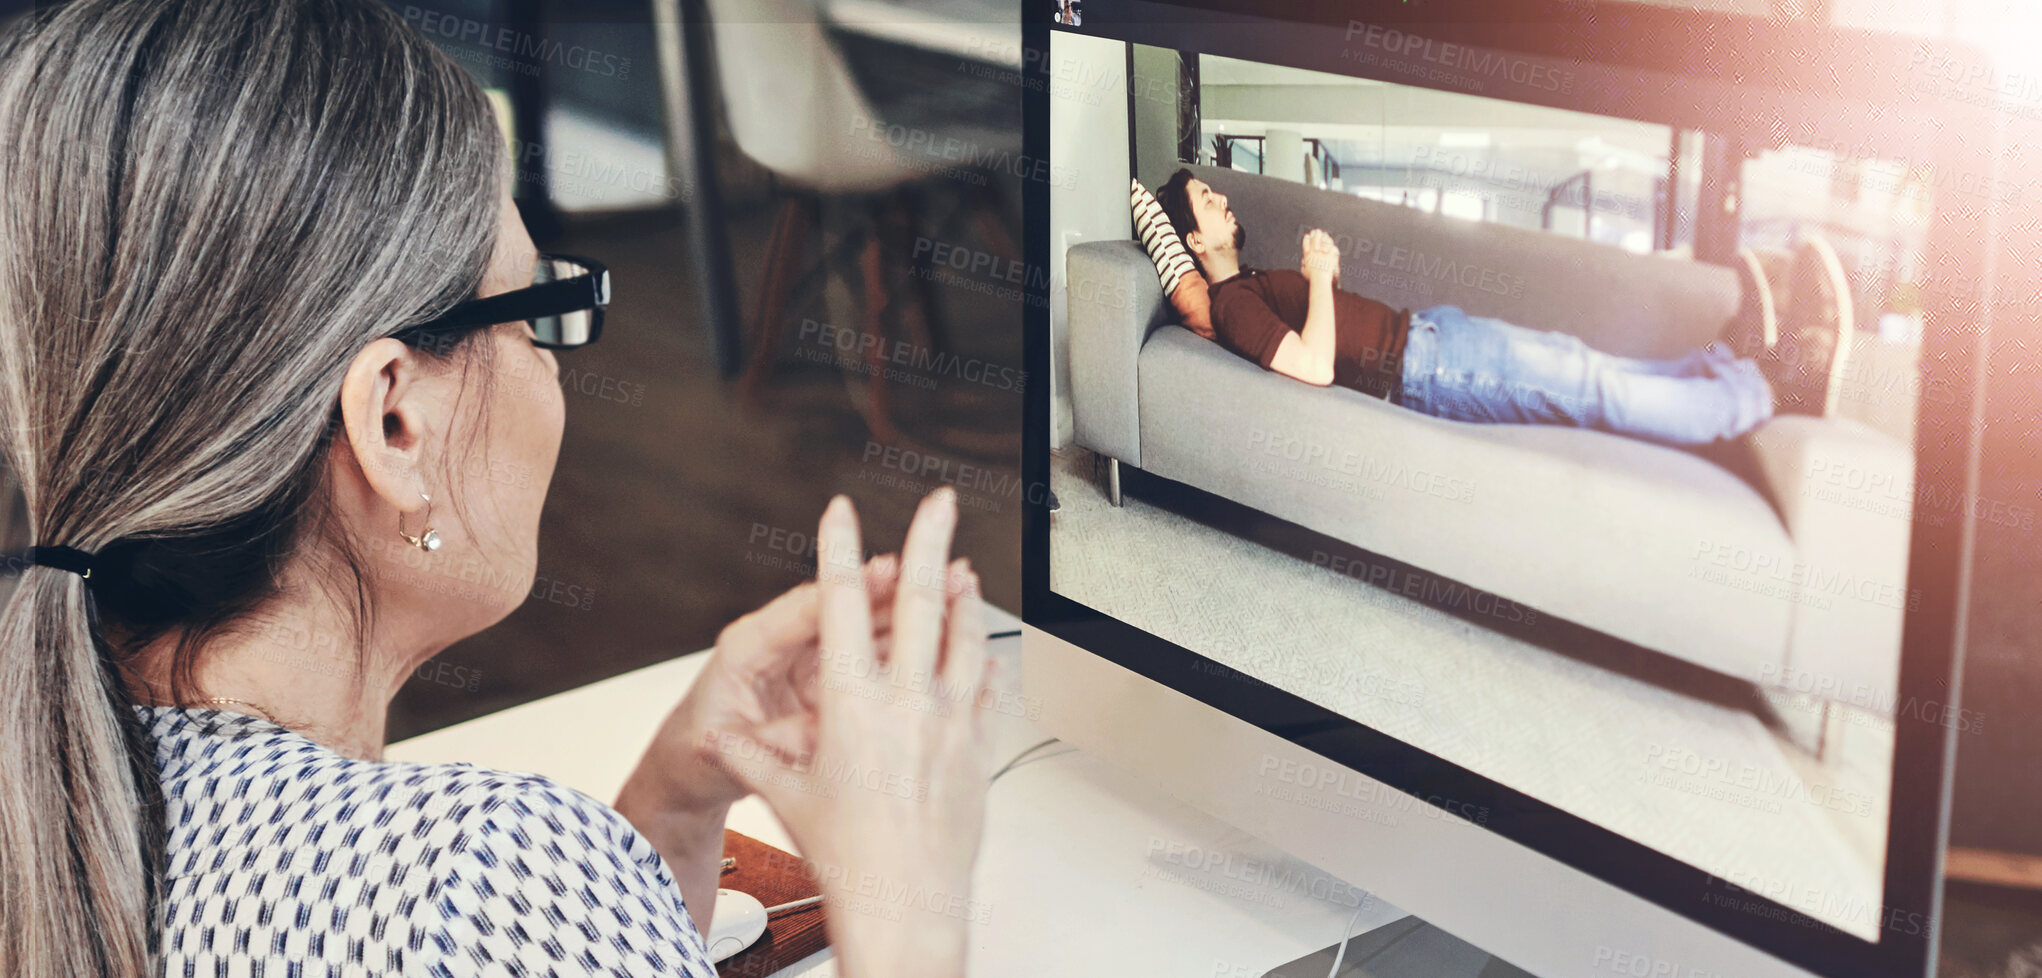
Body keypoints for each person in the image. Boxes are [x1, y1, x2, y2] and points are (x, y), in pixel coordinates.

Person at [0, 2, 991, 977]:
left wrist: (672, 805)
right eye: (533, 316)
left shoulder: (51, 800)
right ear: (394, 423)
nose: (552, 371)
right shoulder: (469, 876)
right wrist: (903, 892)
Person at [1152, 167, 1855, 448]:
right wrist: (1321, 273)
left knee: (1587, 365)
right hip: (1426, 370)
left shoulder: (1243, 286)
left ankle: (1736, 365)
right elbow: (1309, 367)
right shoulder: (1232, 300)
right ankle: (1770, 391)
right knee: (1591, 388)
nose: (1221, 199)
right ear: (1192, 237)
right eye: (1206, 203)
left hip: (1432, 343)